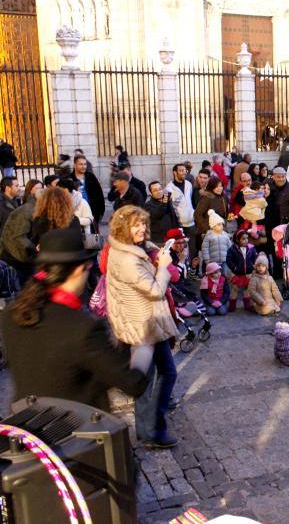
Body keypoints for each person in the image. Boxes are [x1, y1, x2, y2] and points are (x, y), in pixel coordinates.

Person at [2, 227, 151, 412]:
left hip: (27, 429)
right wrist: (145, 347)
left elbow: (60, 367)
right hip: (75, 431)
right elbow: (133, 384)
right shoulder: (83, 329)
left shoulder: (11, 314)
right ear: (80, 269)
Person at [105, 205, 179, 449]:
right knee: (160, 376)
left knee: (152, 377)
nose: (142, 229)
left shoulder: (127, 250)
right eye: (136, 225)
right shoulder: (127, 259)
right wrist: (163, 267)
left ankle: (149, 427)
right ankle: (152, 431)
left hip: (143, 323)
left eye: (143, 224)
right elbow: (155, 290)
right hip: (143, 326)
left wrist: (151, 250)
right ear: (124, 228)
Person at [0, 180, 41, 286]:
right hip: (9, 253)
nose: (19, 188)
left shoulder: (17, 203)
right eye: (16, 185)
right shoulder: (2, 205)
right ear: (8, 188)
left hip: (17, 252)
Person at [164, 164, 197, 259]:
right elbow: (168, 207)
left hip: (191, 223)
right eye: (181, 170)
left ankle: (193, 271)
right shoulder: (169, 188)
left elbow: (190, 200)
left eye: (185, 170)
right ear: (175, 173)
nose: (184, 172)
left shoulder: (189, 184)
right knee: (180, 250)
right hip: (179, 225)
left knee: (193, 249)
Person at [226, 230, 257, 312]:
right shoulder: (232, 249)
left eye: (247, 238)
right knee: (234, 289)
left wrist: (253, 266)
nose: (246, 240)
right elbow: (229, 260)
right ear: (237, 240)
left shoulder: (251, 248)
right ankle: (232, 306)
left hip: (248, 274)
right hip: (237, 274)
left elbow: (255, 258)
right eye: (243, 239)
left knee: (247, 290)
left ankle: (247, 305)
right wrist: (234, 268)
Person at [200, 210, 231, 274]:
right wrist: (207, 260)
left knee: (224, 275)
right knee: (214, 275)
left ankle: (224, 283)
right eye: (218, 224)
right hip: (213, 261)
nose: (221, 226)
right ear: (213, 226)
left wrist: (230, 257)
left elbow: (229, 247)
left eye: (222, 224)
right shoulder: (209, 236)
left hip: (224, 260)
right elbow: (205, 249)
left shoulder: (225, 235)